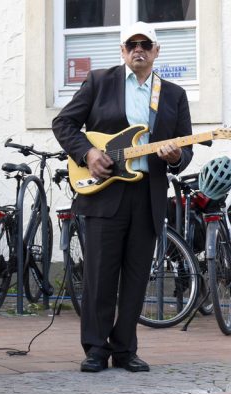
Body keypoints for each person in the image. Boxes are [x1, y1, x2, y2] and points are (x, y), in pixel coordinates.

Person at [53, 21, 192, 373]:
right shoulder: (101, 82)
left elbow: (185, 147)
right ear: (122, 50)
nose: (138, 49)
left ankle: (125, 348)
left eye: (146, 44)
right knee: (100, 273)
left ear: (156, 51)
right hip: (105, 192)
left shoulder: (173, 94)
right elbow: (64, 124)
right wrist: (87, 154)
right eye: (132, 44)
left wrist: (177, 157)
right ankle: (96, 348)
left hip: (147, 193)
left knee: (136, 275)